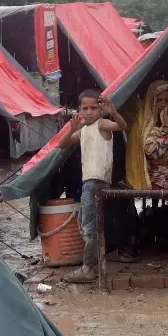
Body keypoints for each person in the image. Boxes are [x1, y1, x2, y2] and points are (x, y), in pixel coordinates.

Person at [56, 89, 129, 283]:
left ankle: (89, 268)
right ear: (79, 110)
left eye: (93, 108)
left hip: (96, 181)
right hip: (89, 182)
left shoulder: (102, 124)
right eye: (85, 108)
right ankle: (93, 264)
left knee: (89, 226)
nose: (89, 112)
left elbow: (122, 126)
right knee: (87, 223)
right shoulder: (83, 130)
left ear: (100, 109)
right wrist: (71, 129)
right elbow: (61, 145)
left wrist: (112, 111)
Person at [126, 80, 168, 190]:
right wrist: (166, 127)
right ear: (152, 101)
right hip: (156, 176)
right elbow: (155, 154)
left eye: (167, 101)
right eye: (159, 100)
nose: (163, 105)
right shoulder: (143, 126)